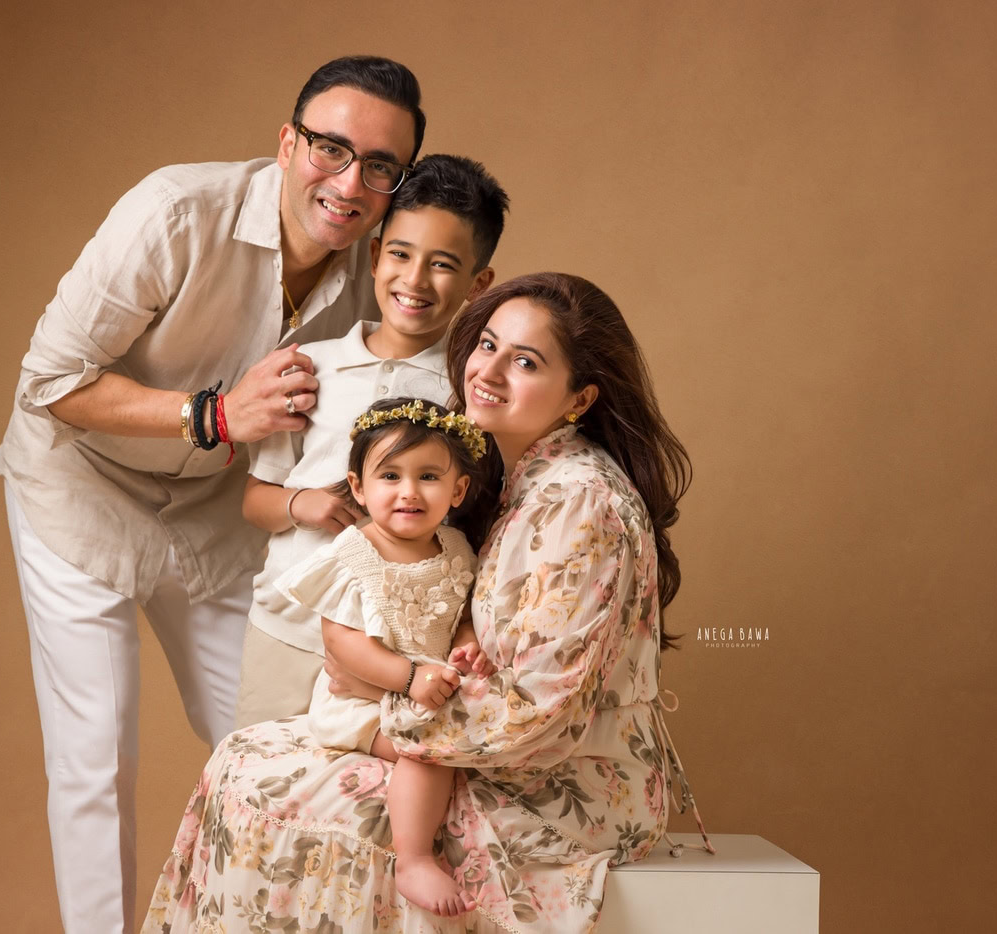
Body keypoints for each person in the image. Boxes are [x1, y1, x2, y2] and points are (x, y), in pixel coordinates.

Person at [0, 56, 424, 933]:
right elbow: (50, 382)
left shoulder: (378, 269)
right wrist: (215, 414)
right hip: (80, 489)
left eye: (381, 167)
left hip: (217, 513)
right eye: (331, 150)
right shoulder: (174, 212)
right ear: (287, 143)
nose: (350, 184)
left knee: (282, 735)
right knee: (96, 756)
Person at [141, 273, 714, 934]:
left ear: (579, 397)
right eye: (488, 345)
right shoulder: (525, 478)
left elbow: (540, 710)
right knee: (244, 756)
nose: (488, 372)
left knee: (262, 786)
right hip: (487, 745)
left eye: (526, 362)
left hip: (558, 786)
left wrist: (386, 701)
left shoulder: (578, 502)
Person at [234, 154, 508, 728]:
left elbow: (469, 528)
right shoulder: (308, 369)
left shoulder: (466, 395)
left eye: (442, 265)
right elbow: (255, 501)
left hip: (400, 649)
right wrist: (300, 504)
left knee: (379, 776)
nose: (415, 279)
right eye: (401, 254)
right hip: (287, 627)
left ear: (477, 285)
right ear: (376, 255)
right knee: (263, 768)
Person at [277, 398, 496, 916]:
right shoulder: (353, 554)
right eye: (391, 476)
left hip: (429, 689)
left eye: (428, 477)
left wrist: (467, 643)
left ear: (458, 490)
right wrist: (409, 676)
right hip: (363, 702)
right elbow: (342, 642)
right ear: (358, 487)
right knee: (429, 750)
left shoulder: (456, 547)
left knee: (465, 736)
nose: (409, 491)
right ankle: (413, 858)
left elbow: (461, 612)